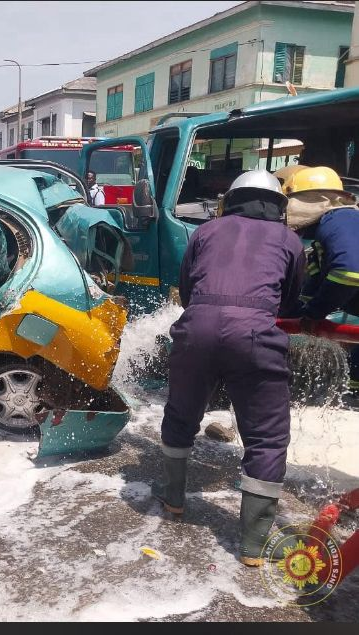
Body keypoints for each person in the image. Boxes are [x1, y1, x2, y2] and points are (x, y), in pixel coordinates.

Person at [151, 170, 305, 567]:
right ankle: (253, 546)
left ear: (231, 199)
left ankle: (172, 499)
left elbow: (187, 290)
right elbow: (290, 298)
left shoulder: (205, 232)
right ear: (278, 205)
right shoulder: (289, 239)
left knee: (181, 413)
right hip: (256, 332)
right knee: (267, 438)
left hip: (197, 328)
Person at [283, 166, 359, 392]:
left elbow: (349, 273)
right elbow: (315, 285)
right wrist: (297, 309)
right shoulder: (334, 227)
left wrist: (314, 313)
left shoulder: (339, 220)